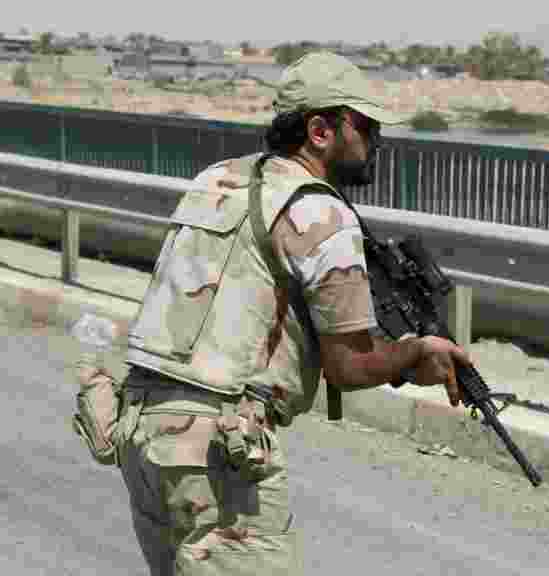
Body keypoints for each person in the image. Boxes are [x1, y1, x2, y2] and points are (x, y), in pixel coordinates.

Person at [101, 51, 472, 575]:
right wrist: (415, 354)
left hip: (143, 427)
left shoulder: (217, 179)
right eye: (364, 126)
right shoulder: (321, 212)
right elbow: (350, 364)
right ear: (321, 130)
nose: (376, 143)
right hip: (217, 444)